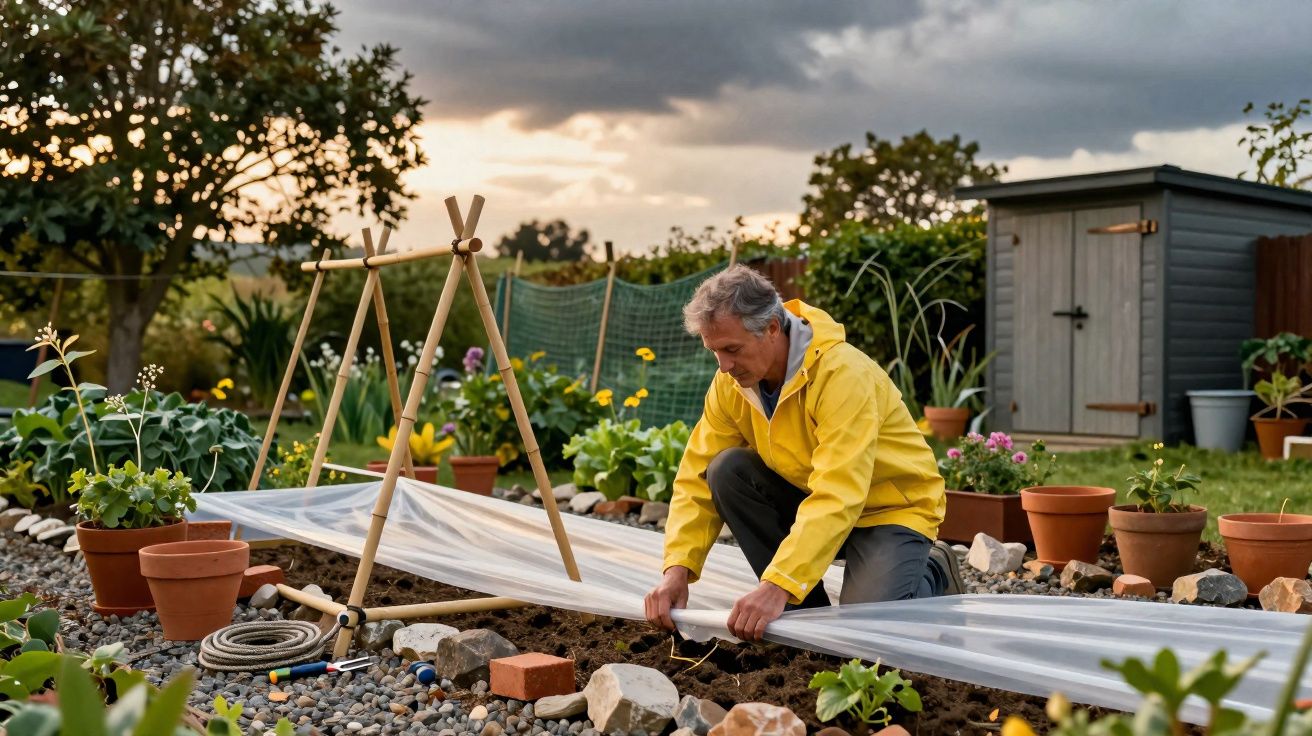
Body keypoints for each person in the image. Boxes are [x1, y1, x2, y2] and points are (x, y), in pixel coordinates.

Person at [643, 265, 963, 641]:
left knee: (869, 637)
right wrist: (676, 569)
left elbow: (840, 489)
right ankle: (803, 612)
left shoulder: (841, 374)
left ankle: (935, 571)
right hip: (815, 498)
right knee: (726, 470)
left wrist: (777, 584)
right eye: (714, 352)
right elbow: (695, 476)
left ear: (773, 329)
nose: (724, 366)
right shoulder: (731, 384)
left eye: (732, 349)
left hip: (889, 509)